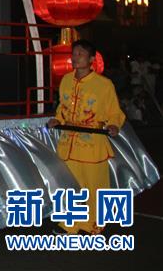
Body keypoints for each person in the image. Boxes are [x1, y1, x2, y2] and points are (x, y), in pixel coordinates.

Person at [47, 39, 126, 234]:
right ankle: (70, 225)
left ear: (91, 59)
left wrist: (114, 124)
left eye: (80, 54)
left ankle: (94, 226)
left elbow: (114, 112)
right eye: (73, 54)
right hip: (68, 142)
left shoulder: (104, 85)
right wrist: (57, 120)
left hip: (92, 145)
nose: (75, 58)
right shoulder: (66, 80)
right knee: (71, 187)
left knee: (94, 187)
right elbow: (62, 108)